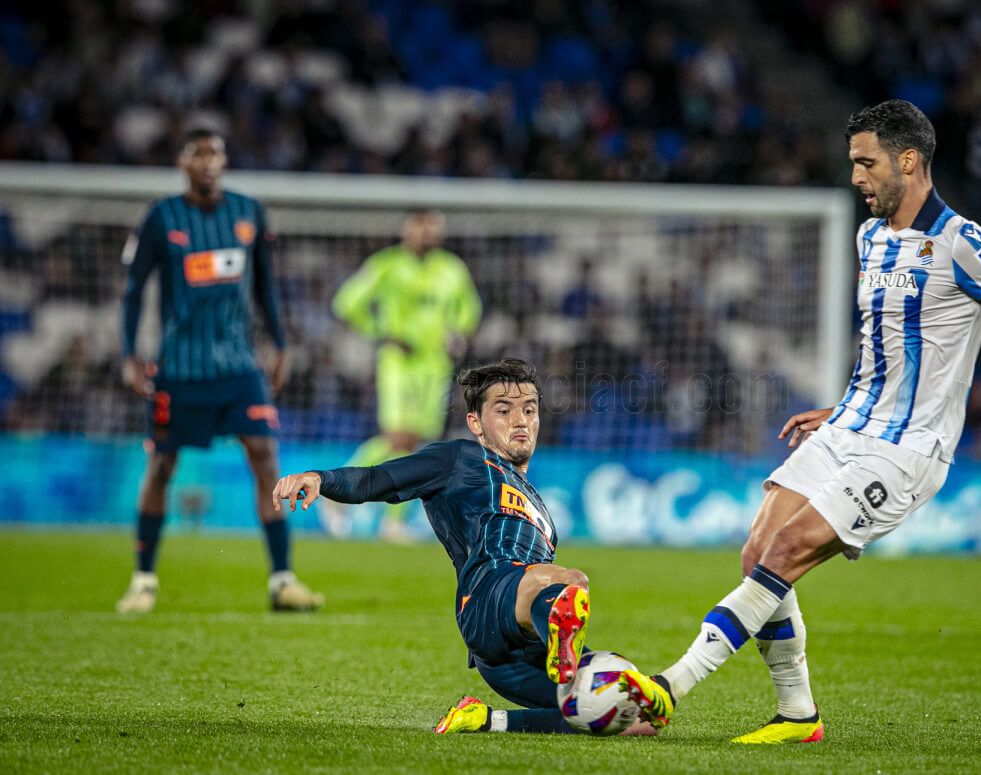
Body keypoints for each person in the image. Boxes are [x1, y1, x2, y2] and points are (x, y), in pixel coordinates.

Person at [617, 99, 981, 741]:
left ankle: (670, 687)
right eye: (853, 162)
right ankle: (798, 715)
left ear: (909, 161)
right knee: (756, 553)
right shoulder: (869, 235)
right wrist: (844, 405)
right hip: (852, 426)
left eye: (865, 162)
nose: (856, 177)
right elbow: (884, 342)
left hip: (908, 451)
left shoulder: (968, 246)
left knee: (787, 551)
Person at [272, 358, 654, 735]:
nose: (520, 420)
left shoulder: (542, 514)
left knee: (628, 713)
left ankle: (486, 720)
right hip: (487, 595)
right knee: (570, 582)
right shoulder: (461, 459)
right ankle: (566, 658)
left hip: (509, 663)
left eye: (530, 409)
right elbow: (379, 479)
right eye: (503, 410)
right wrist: (319, 477)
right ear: (476, 423)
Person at [116, 128, 324, 614]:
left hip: (238, 365)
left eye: (215, 153)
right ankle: (143, 580)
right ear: (182, 161)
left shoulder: (248, 212)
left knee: (265, 457)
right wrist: (130, 355)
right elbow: (133, 291)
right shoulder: (161, 217)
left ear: (224, 161)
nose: (208, 162)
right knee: (162, 466)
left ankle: (282, 580)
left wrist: (281, 343)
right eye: (198, 153)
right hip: (180, 369)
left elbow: (265, 287)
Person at [331, 209, 481, 538]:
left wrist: (458, 333)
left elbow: (469, 309)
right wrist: (382, 334)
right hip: (398, 363)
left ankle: (389, 521)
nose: (427, 234)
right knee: (398, 438)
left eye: (433, 228)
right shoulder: (387, 265)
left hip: (435, 365)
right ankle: (339, 493)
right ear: (407, 230)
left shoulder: (452, 269)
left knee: (414, 445)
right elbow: (346, 303)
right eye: (421, 227)